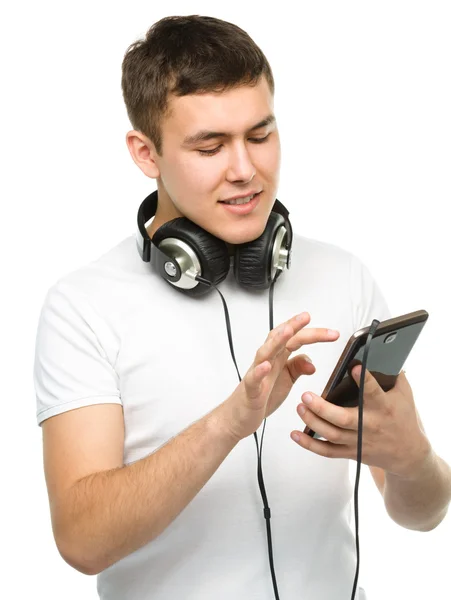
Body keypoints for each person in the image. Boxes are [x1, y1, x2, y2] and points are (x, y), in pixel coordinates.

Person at [33, 14, 450, 600]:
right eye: (210, 146)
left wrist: (413, 459)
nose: (245, 170)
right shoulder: (83, 307)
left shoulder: (344, 276)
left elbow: (423, 514)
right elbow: (81, 541)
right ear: (145, 153)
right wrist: (229, 423)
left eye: (260, 135)